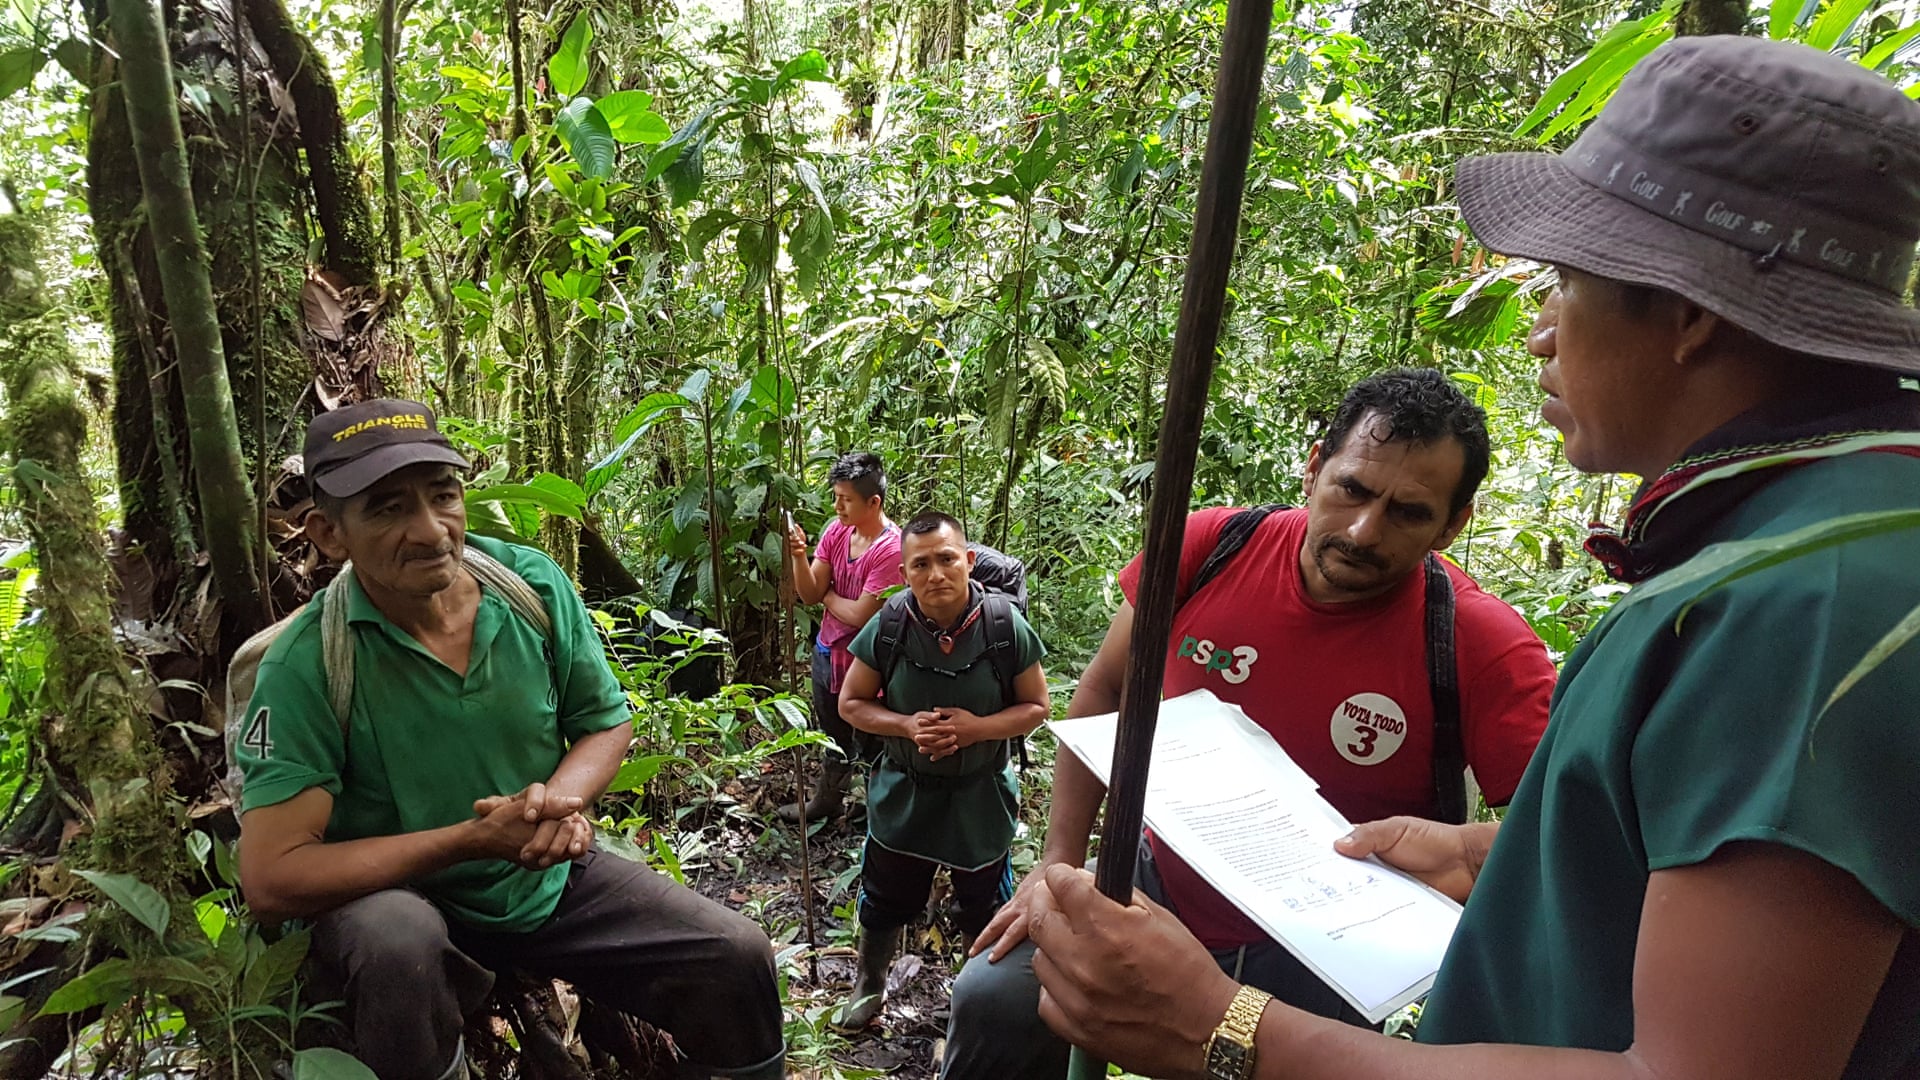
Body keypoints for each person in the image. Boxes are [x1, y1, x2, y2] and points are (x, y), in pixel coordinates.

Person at [1021, 35, 1920, 1080]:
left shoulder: (1807, 603)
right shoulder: (1817, 536)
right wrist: (1489, 854)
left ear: (1688, 316)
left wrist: (1223, 1030)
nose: (1542, 333)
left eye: (1566, 284)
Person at [942, 368, 1557, 1078]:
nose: (1363, 530)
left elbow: (1554, 843)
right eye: (1352, 489)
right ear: (1314, 468)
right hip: (1154, 886)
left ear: (1453, 523)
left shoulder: (1479, 643)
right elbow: (1108, 689)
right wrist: (1056, 861)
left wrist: (1459, 852)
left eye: (1408, 512)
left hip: (1325, 956)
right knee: (996, 999)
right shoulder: (1213, 549)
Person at [233, 400, 784, 1080]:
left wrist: (558, 804)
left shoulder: (528, 584)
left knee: (735, 954)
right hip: (406, 901)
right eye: (387, 509)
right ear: (327, 532)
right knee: (395, 941)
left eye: (444, 496)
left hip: (538, 881)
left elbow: (604, 722)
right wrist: (464, 841)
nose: (430, 530)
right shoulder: (307, 665)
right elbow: (272, 875)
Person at [832, 511, 1051, 1031]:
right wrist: (906, 725)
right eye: (921, 564)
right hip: (905, 793)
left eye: (947, 559)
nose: (936, 574)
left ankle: (979, 1007)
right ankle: (869, 984)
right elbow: (852, 703)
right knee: (885, 896)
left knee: (986, 905)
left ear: (968, 561)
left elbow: (1037, 706)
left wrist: (977, 729)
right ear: (904, 572)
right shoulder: (890, 624)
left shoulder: (1002, 626)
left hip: (980, 797)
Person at [779, 451, 904, 823]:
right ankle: (827, 802)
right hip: (828, 653)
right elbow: (809, 592)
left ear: (873, 502)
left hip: (868, 662)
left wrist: (828, 596)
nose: (837, 506)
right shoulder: (837, 531)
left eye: (845, 499)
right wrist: (800, 556)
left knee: (873, 740)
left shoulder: (891, 548)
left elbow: (859, 615)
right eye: (836, 496)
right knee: (832, 734)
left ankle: (877, 812)